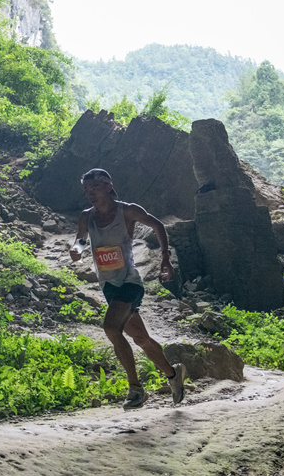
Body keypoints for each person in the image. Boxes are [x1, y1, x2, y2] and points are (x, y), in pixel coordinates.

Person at [69, 168, 186, 409]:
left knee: (111, 328)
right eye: (86, 190)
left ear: (109, 186)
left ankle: (135, 388)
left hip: (130, 281)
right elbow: (81, 239)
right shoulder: (86, 217)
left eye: (95, 188)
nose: (90, 194)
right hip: (108, 285)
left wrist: (165, 257)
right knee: (140, 337)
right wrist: (77, 250)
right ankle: (173, 375)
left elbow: (157, 225)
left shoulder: (128, 210)